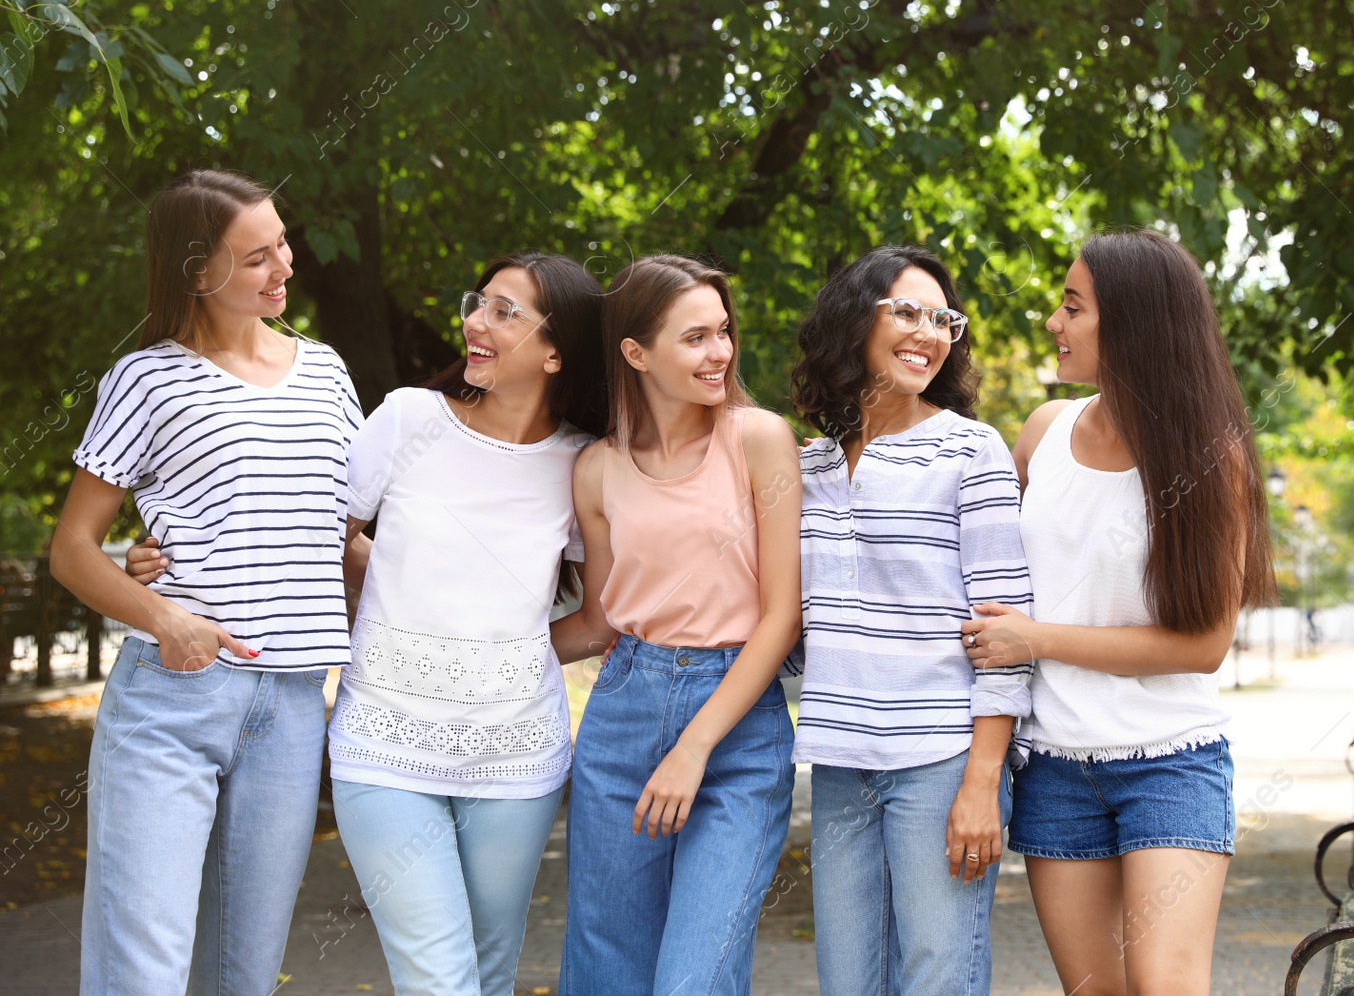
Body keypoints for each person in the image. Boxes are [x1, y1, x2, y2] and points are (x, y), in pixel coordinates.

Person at [127, 252, 610, 995]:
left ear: (556, 351)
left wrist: (496, 653)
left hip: (517, 758)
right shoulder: (410, 417)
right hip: (382, 745)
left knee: (487, 970)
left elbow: (600, 618)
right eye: (477, 301)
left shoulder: (582, 464)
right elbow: (318, 532)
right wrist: (174, 559)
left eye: (504, 311)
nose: (475, 321)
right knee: (440, 981)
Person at [50, 169, 363, 994]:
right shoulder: (145, 378)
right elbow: (74, 550)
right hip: (175, 696)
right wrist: (162, 615)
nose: (283, 266)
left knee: (244, 972)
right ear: (198, 272)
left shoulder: (328, 375)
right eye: (256, 256)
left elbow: (350, 538)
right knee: (141, 969)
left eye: (282, 243)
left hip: (293, 706)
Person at [960, 230, 1276, 996]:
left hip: (1170, 760)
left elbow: (1202, 644)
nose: (1052, 321)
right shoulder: (1043, 435)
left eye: (1072, 306)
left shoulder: (1210, 456)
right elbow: (960, 538)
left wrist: (1035, 639)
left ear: (1133, 324)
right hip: (1056, 769)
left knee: (1166, 985)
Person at [788, 246, 1033, 996]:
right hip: (839, 759)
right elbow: (801, 626)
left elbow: (1005, 627)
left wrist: (982, 780)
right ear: (854, 319)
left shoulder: (972, 449)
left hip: (941, 758)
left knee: (936, 975)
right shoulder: (810, 466)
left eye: (943, 318)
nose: (929, 332)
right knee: (848, 982)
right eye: (907, 311)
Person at [556, 254, 802, 996]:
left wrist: (694, 745)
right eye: (696, 337)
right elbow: (599, 621)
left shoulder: (759, 439)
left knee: (694, 976)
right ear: (636, 353)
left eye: (723, 332)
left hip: (737, 730)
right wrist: (487, 652)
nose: (721, 352)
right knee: (608, 970)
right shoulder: (596, 470)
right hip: (623, 711)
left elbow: (781, 614)